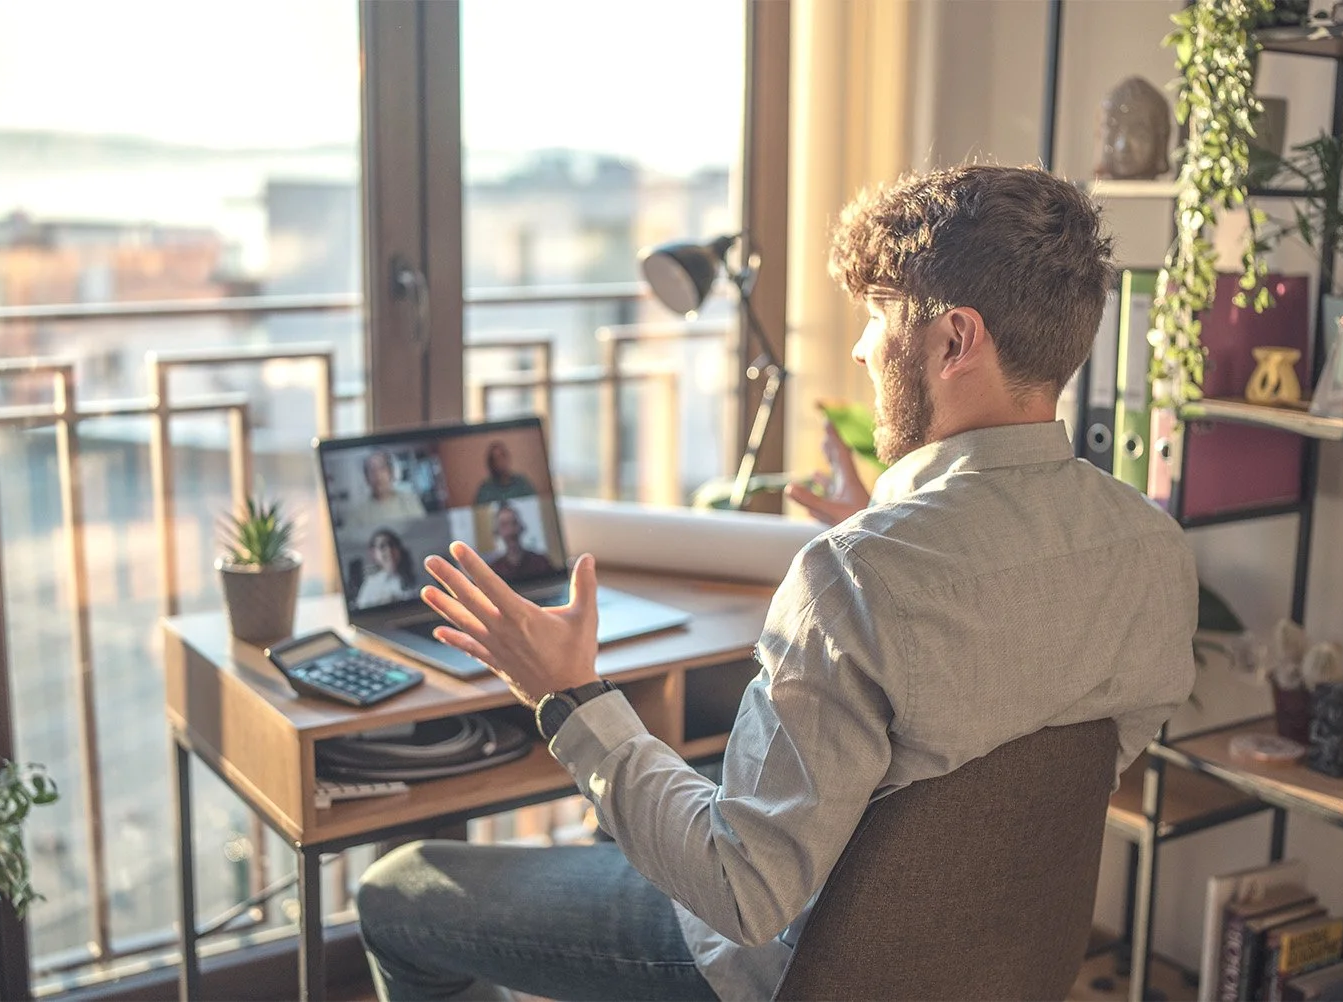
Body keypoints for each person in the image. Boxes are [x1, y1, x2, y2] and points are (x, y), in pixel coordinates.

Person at [356, 165, 1200, 1002]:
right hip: (981, 970)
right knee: (639, 802)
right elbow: (1030, 781)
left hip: (770, 967)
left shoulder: (859, 575)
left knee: (399, 887)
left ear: (954, 340)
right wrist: (885, 521)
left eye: (879, 316)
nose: (867, 347)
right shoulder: (1152, 551)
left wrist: (568, 694)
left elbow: (740, 893)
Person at [484, 501, 554, 583]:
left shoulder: (541, 562)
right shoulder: (494, 570)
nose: (511, 530)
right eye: (504, 525)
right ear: (497, 531)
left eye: (514, 523)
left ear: (522, 527)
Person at [354, 450, 425, 525]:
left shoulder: (410, 501)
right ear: (366, 478)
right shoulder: (358, 514)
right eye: (372, 470)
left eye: (382, 468)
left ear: (391, 473)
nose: (377, 475)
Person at [354, 528, 418, 609]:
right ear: (374, 554)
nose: (389, 550)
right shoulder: (370, 585)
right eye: (382, 546)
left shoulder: (417, 578)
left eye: (392, 545)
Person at [472, 440, 536, 505]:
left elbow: (534, 505)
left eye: (503, 456)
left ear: (508, 458)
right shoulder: (485, 489)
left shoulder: (522, 482)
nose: (501, 461)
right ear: (491, 464)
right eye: (496, 459)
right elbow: (479, 512)